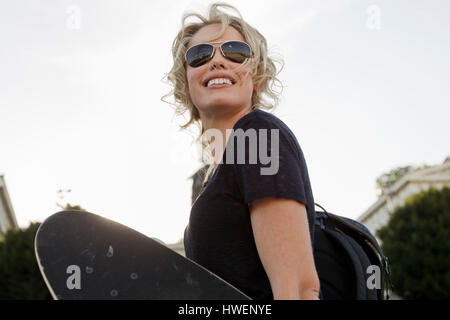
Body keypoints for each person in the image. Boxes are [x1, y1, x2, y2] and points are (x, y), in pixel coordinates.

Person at [163, 3, 320, 300]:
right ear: (187, 79)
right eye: (199, 55)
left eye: (235, 52)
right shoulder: (210, 178)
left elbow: (299, 291)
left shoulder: (256, 134)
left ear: (256, 76)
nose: (217, 61)